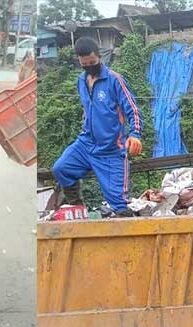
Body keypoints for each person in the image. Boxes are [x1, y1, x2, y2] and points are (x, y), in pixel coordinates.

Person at [52, 37, 143, 217]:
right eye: (85, 64)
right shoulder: (81, 81)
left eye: (92, 63)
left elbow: (133, 109)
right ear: (79, 61)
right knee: (61, 169)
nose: (89, 67)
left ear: (99, 57)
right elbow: (88, 110)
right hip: (86, 144)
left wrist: (135, 134)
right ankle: (78, 206)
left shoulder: (114, 80)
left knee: (120, 206)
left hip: (111, 149)